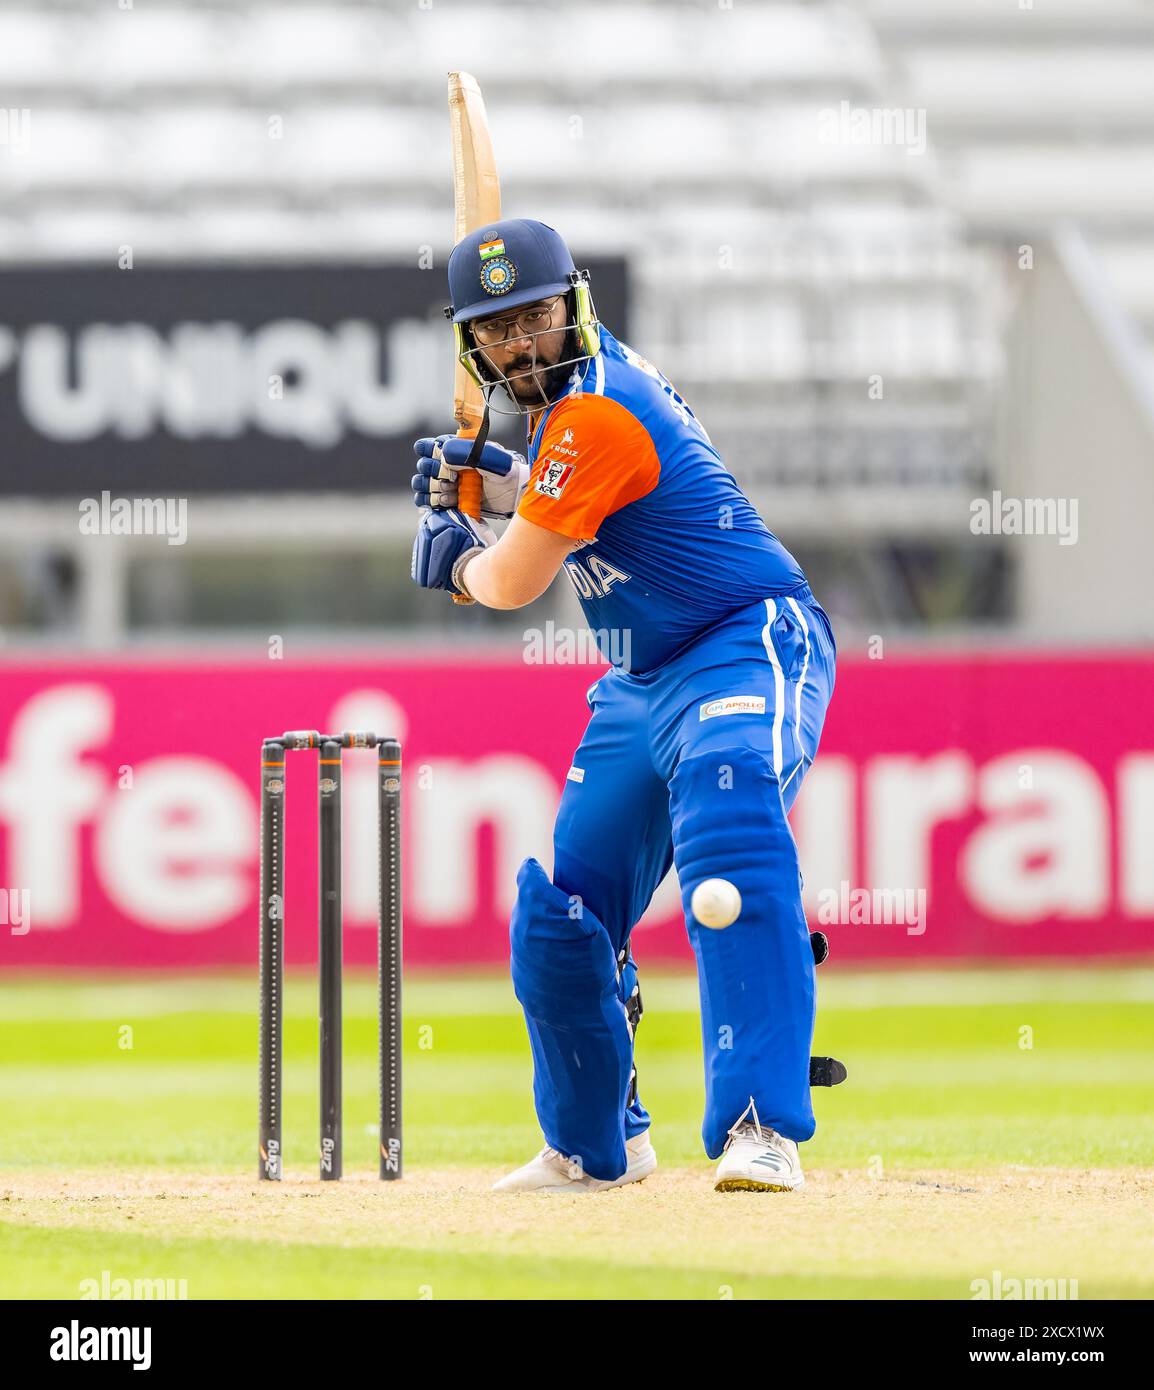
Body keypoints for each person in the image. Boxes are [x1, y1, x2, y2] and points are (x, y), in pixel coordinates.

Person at [411, 218, 837, 1193]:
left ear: (574, 306)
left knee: (728, 829)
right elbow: (579, 504)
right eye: (496, 328)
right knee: (561, 916)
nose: (519, 343)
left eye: (536, 317)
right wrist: (499, 485)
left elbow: (513, 581)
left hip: (740, 643)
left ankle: (761, 1127)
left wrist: (454, 556)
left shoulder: (593, 412)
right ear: (467, 341)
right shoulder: (574, 408)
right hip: (640, 683)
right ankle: (595, 1146)